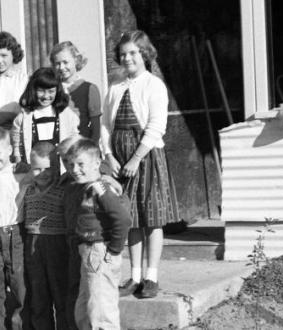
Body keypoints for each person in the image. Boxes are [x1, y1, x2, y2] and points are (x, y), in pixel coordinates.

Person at [101, 30, 179, 299]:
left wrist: (136, 158)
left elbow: (157, 126)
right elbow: (105, 126)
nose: (128, 58)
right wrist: (109, 157)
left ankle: (151, 276)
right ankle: (134, 276)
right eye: (123, 54)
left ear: (144, 54)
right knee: (130, 218)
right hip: (119, 162)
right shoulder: (115, 87)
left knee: (151, 218)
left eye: (133, 52)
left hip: (145, 158)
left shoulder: (153, 85)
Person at [62, 139, 132, 330]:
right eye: (70, 164)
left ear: (96, 163)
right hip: (86, 251)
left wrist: (115, 250)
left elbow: (123, 219)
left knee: (101, 310)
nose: (75, 169)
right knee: (86, 306)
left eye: (80, 164)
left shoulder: (101, 189)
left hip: (99, 250)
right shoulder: (82, 187)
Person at [18, 141, 71, 330]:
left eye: (48, 168)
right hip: (33, 244)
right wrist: (23, 184)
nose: (42, 173)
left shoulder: (64, 187)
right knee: (38, 296)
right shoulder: (27, 188)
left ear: (56, 166)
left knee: (61, 295)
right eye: (37, 169)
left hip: (57, 244)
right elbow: (16, 212)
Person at [11, 67, 80, 171]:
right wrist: (19, 161)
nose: (46, 96)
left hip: (61, 173)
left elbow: (74, 141)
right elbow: (17, 146)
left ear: (58, 90)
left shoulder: (67, 115)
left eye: (51, 91)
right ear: (33, 90)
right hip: (35, 172)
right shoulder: (23, 117)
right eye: (41, 91)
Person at [50, 41, 102, 141]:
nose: (61, 67)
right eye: (57, 63)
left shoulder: (89, 89)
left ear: (76, 60)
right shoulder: (52, 89)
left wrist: (93, 149)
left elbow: (96, 128)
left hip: (81, 147)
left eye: (65, 62)